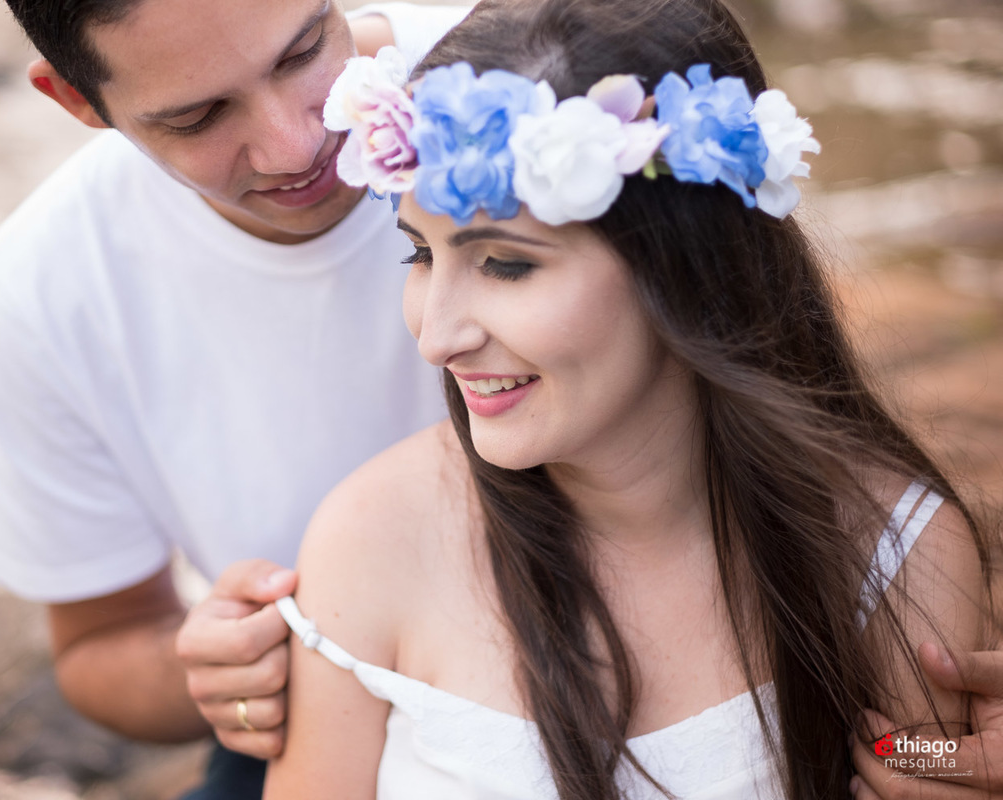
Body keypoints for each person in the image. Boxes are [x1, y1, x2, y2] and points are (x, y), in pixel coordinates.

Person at [261, 0, 1000, 797]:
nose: (435, 338)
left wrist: (946, 767)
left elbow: (918, 762)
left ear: (687, 266)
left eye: (506, 264)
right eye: (418, 253)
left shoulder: (897, 557)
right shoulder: (371, 542)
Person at [0, 0, 469, 796]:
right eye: (199, 116)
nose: (295, 144)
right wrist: (210, 667)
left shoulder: (541, 88)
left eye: (303, 52)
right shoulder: (45, 285)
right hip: (321, 699)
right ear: (75, 100)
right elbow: (99, 642)